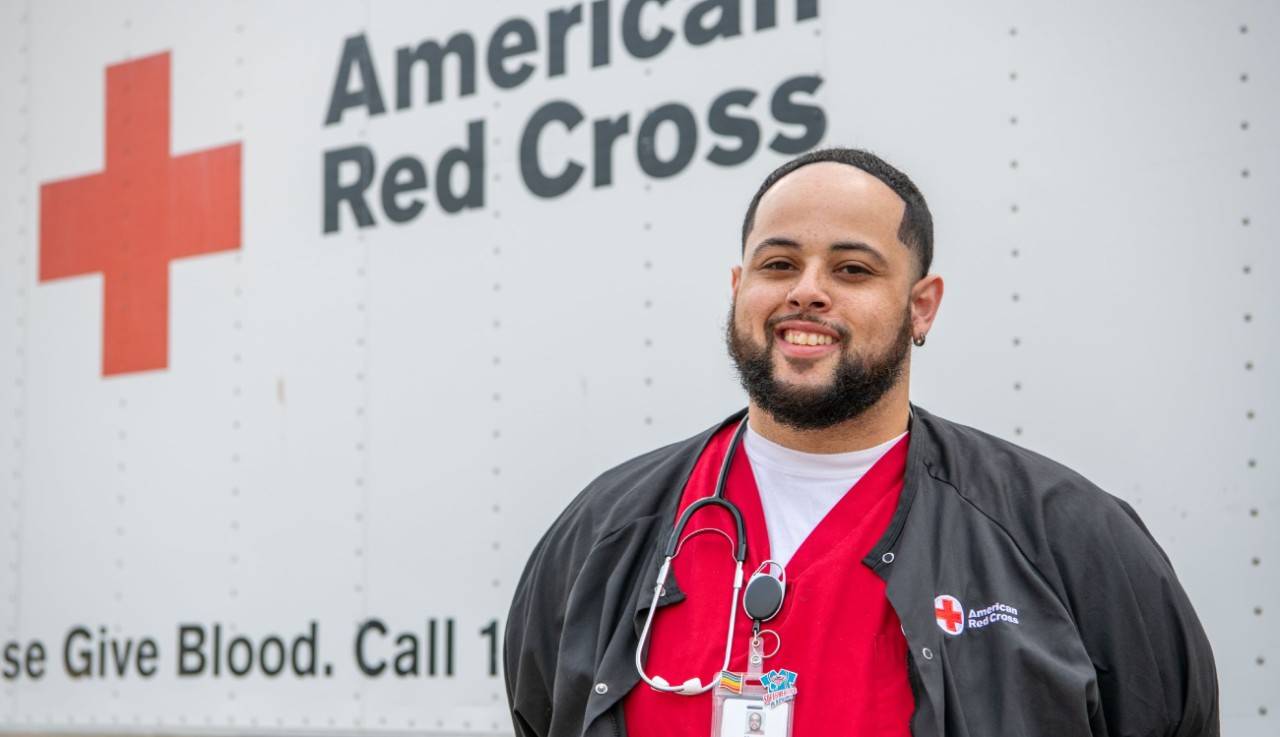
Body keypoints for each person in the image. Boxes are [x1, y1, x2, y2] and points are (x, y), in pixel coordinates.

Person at [504, 147, 1219, 737]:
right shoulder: (604, 534)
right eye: (778, 264)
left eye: (853, 269)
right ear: (738, 286)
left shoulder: (1067, 538)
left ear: (922, 306)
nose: (807, 292)